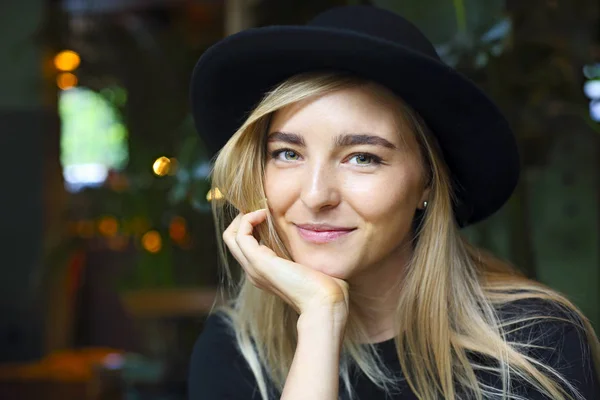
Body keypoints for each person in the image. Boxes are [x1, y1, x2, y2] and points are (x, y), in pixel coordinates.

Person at [187, 5, 600, 400]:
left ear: (426, 183)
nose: (315, 195)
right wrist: (320, 320)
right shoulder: (236, 352)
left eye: (363, 158)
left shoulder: (536, 348)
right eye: (287, 153)